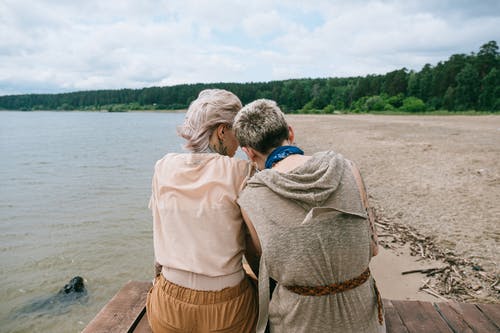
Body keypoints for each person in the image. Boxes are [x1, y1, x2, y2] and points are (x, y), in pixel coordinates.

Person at [233, 99, 385, 333]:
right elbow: (372, 248)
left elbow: (267, 265)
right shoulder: (348, 167)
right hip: (363, 319)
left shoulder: (251, 196)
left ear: (249, 153)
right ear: (290, 133)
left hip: (298, 322)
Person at [146, 89, 258, 333]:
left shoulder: (163, 167)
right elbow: (254, 248)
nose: (238, 144)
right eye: (236, 133)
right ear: (221, 130)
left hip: (168, 310)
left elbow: (159, 236)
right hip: (226, 311)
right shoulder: (240, 171)